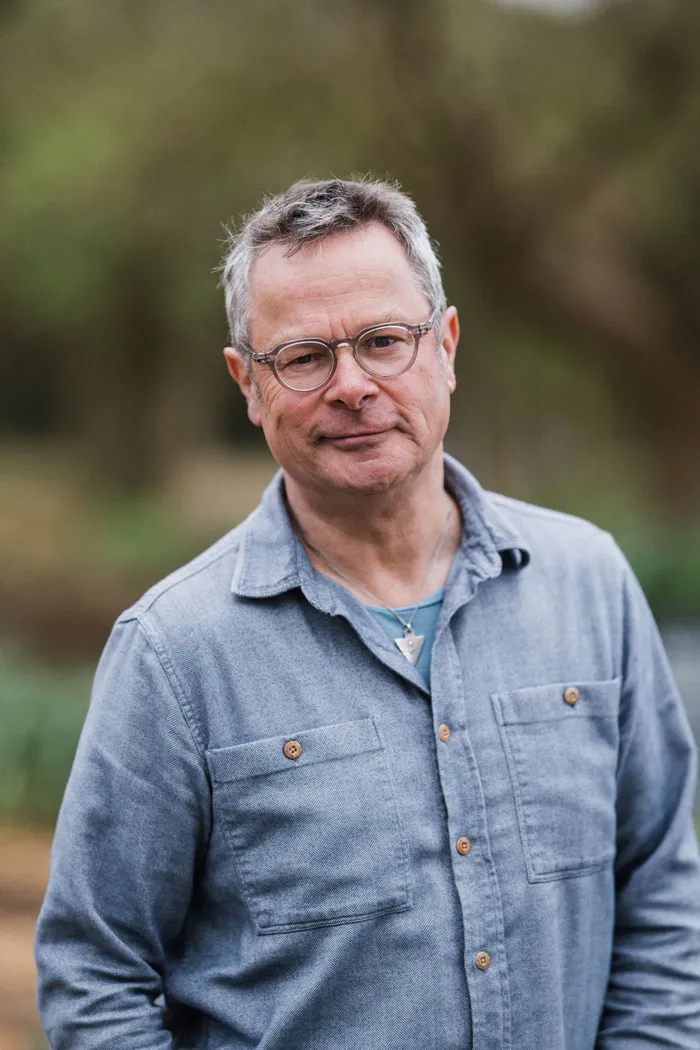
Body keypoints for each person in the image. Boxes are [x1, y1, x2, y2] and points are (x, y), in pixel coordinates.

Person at [35, 178, 700, 1050]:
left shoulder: (589, 586)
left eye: (384, 341)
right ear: (248, 384)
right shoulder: (174, 653)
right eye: (304, 357)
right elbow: (95, 976)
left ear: (446, 346)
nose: (352, 386)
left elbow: (662, 902)